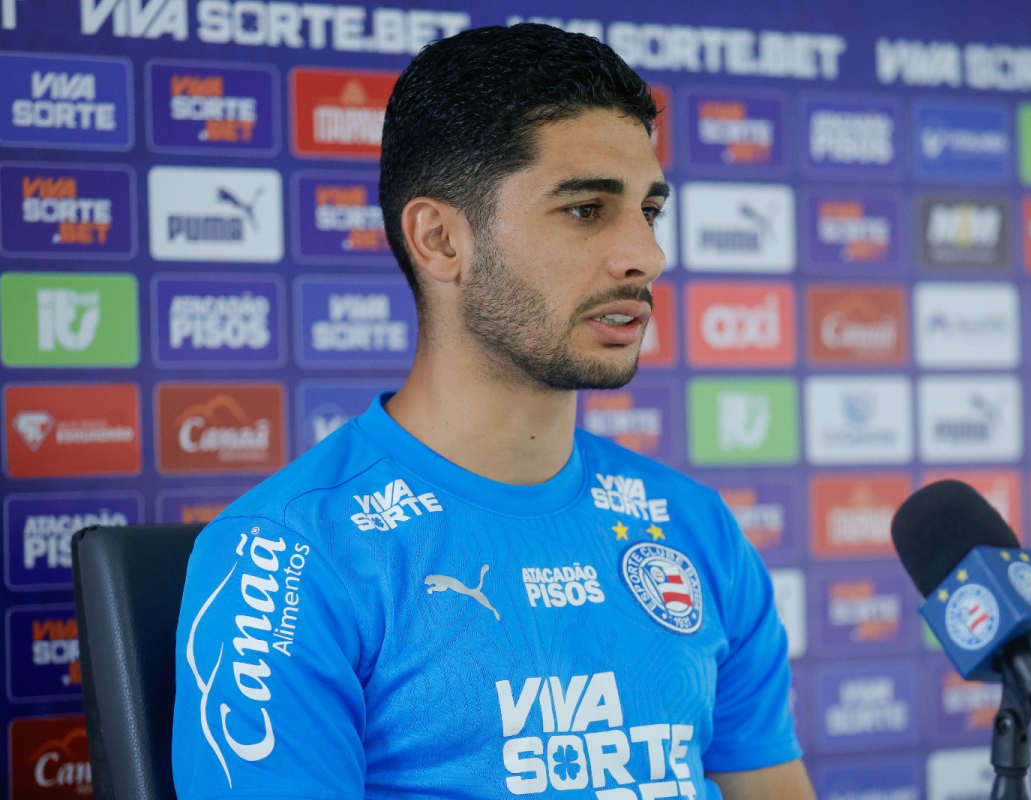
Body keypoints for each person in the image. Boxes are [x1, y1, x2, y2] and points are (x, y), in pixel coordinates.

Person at [173, 23, 816, 800]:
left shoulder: (694, 525)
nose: (646, 255)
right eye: (585, 209)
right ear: (440, 240)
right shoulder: (288, 555)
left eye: (649, 210)